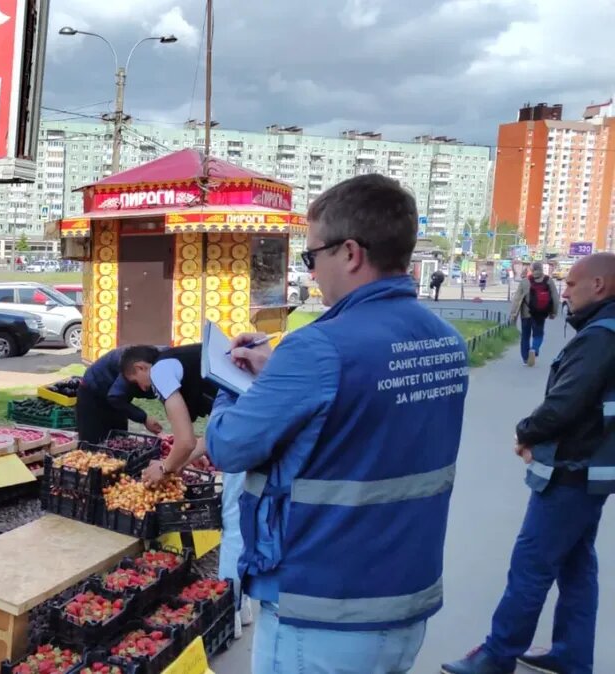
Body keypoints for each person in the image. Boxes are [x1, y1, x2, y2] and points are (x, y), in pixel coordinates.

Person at [200, 174, 469, 673]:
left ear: (349, 253)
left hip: (321, 608)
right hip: (404, 596)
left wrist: (230, 386)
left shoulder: (318, 347)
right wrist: (276, 375)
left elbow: (229, 447)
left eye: (311, 257)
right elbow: (360, 412)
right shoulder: (443, 340)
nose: (310, 273)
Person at [442, 253, 615, 674]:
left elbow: (563, 406)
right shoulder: (603, 331)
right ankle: (571, 654)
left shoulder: (600, 337)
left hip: (571, 470)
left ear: (599, 286)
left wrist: (525, 433)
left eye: (571, 284)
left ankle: (496, 656)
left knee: (531, 566)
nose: (564, 290)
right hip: (588, 469)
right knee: (576, 565)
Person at [121, 343, 216, 481]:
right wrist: (182, 460)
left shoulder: (159, 371)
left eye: (136, 381)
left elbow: (186, 441)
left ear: (140, 367)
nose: (142, 388)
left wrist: (164, 468)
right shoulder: (185, 361)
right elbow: (219, 429)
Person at [75, 345, 164, 444]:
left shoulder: (165, 362)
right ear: (139, 368)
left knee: (119, 441)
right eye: (134, 382)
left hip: (117, 397)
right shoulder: (130, 369)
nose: (142, 388)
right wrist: (144, 418)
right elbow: (115, 397)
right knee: (92, 443)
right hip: (94, 392)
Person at [509, 261, 559, 366]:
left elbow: (517, 299)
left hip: (526, 314)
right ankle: (534, 349)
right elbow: (555, 297)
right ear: (541, 269)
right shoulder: (548, 281)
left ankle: (525, 358)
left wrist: (513, 314)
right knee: (538, 334)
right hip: (541, 313)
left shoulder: (525, 281)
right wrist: (553, 312)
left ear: (531, 270)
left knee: (525, 336)